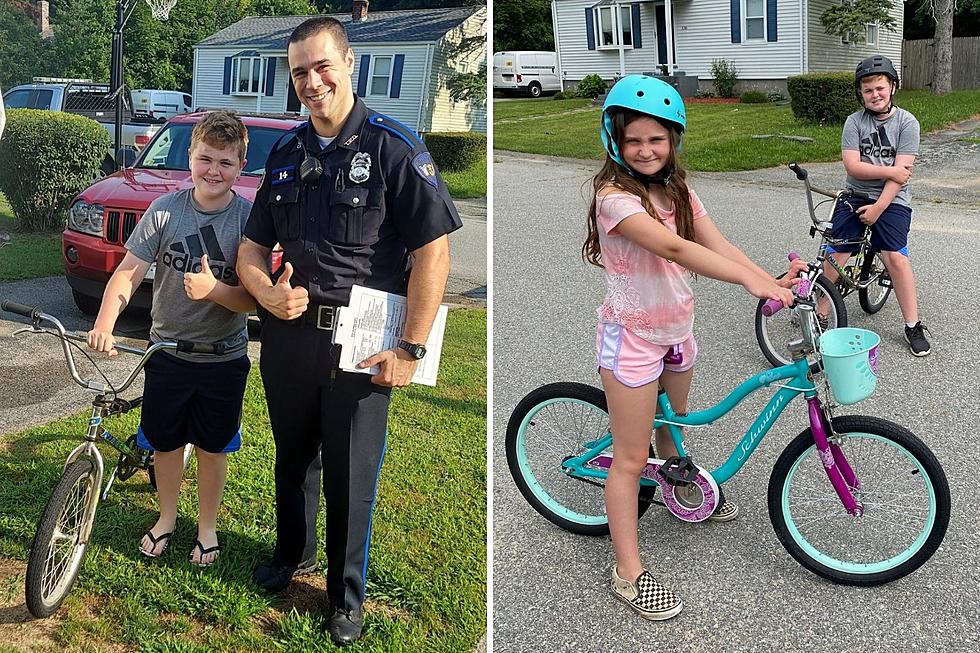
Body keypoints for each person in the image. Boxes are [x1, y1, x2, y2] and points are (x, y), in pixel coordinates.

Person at [236, 16, 461, 646]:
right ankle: (291, 554)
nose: (311, 82)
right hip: (289, 336)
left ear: (349, 65)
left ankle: (345, 596)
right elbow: (252, 250)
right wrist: (265, 293)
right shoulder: (284, 154)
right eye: (299, 71)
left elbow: (434, 252)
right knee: (292, 457)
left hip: (364, 340)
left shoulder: (391, 147)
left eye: (321, 66)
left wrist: (411, 346)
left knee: (351, 473)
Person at [582, 75, 799, 621]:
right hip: (631, 336)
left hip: (677, 332)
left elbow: (715, 242)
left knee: (673, 421)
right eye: (634, 140)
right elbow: (674, 245)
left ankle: (679, 479)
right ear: (615, 141)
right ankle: (627, 571)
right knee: (631, 458)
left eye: (658, 139)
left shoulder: (679, 189)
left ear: (674, 140)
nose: (646, 150)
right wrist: (752, 286)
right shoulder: (614, 199)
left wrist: (773, 279)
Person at [87, 110, 255, 567]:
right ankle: (165, 518)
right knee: (164, 442)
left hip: (223, 358)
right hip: (167, 353)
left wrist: (215, 290)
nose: (214, 171)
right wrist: (105, 321)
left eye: (225, 162)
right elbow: (127, 272)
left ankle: (206, 526)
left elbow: (253, 302)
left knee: (213, 446)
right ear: (190, 157)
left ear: (241, 165)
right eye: (206, 159)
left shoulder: (248, 221)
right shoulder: (165, 212)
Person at [819, 55, 928, 356]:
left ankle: (913, 325)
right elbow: (853, 167)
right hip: (855, 193)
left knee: (895, 257)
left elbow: (901, 178)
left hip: (893, 199)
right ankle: (821, 311)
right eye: (868, 90)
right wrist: (890, 170)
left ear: (893, 87)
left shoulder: (907, 123)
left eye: (880, 88)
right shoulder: (854, 122)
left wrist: (880, 206)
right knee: (837, 251)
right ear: (861, 94)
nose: (875, 95)